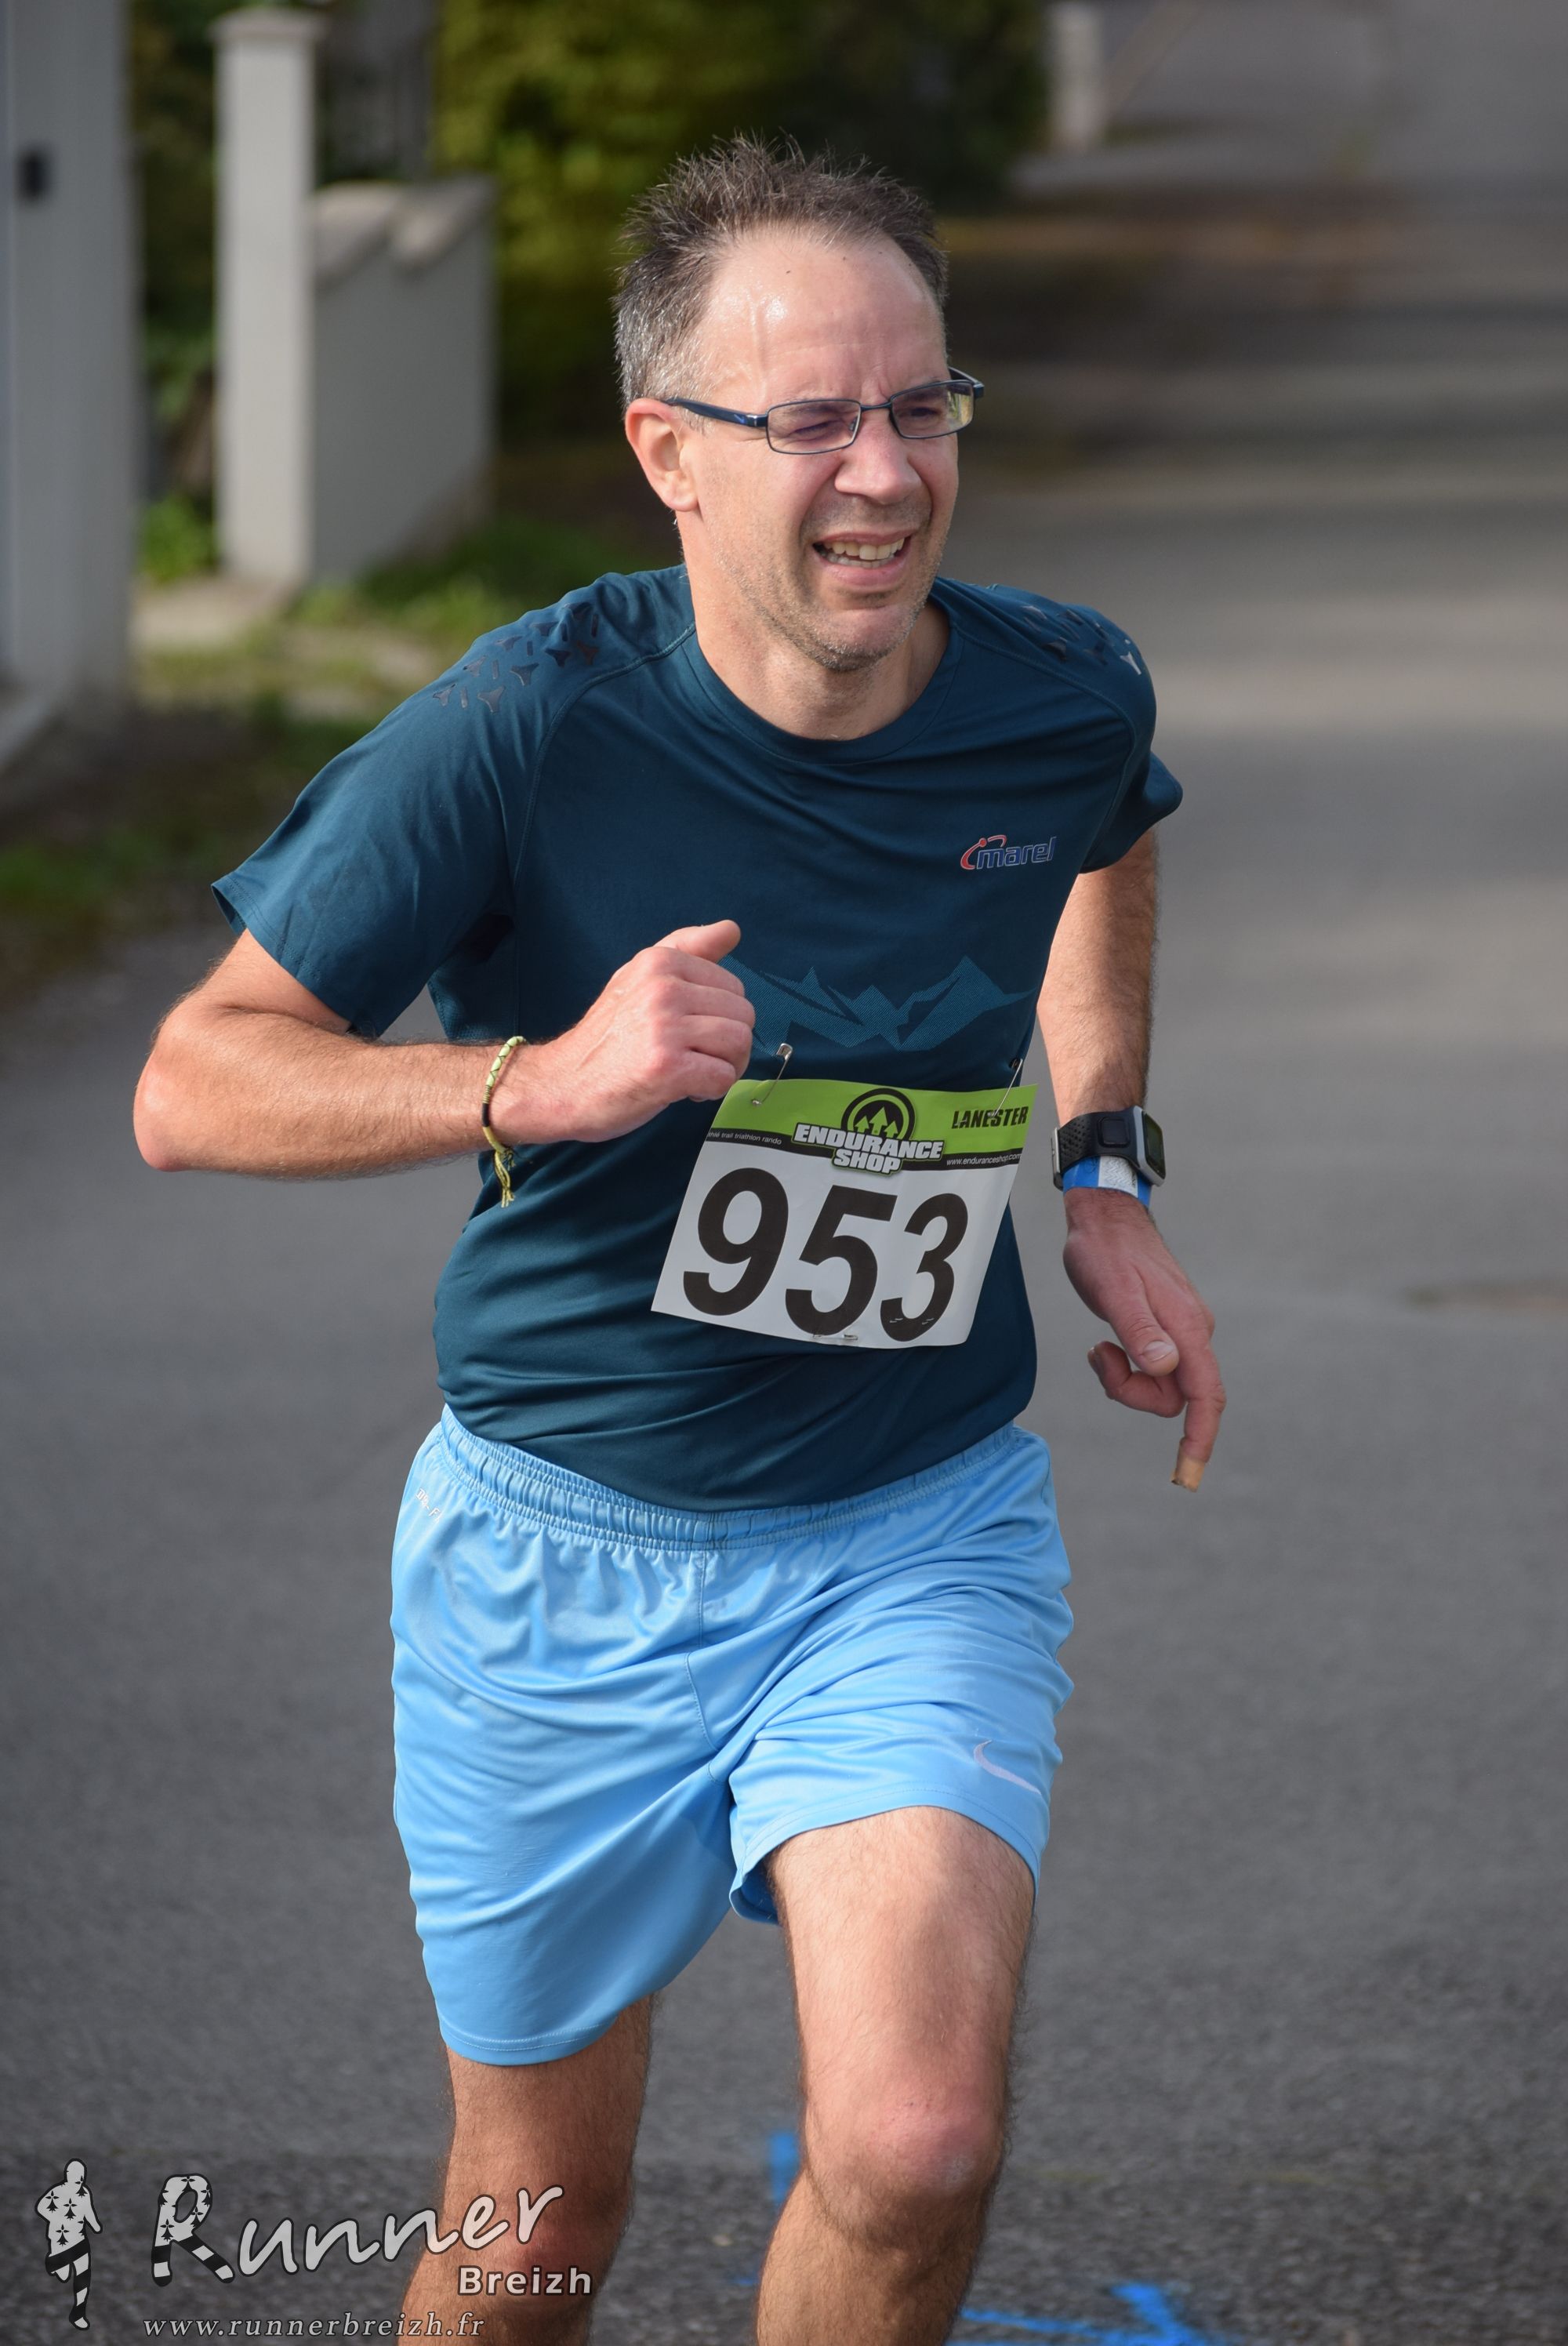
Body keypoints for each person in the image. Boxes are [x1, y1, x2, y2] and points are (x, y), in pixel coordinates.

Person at [134, 134, 1223, 2346]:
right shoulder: (522, 729)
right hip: (562, 1555)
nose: (885, 475)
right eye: (812, 418)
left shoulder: (1058, 690)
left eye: (920, 406)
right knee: (537, 2226)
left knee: (916, 2143)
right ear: (669, 454)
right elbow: (193, 1079)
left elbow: (1103, 834)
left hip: (910, 1523)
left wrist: (1102, 1166)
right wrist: (536, 1077)